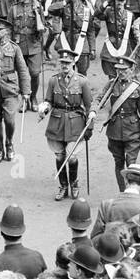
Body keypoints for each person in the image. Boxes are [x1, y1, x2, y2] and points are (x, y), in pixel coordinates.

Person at [38, 45, 91, 201]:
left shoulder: (82, 81)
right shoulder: (54, 80)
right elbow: (49, 100)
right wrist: (44, 108)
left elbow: (89, 106)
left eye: (67, 63)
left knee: (72, 155)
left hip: (75, 122)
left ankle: (74, 183)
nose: (65, 66)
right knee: (60, 155)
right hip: (57, 121)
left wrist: (90, 127)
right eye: (62, 63)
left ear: (73, 62)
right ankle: (63, 186)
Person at [91, 54, 140, 191]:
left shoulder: (138, 88)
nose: (121, 73)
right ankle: (122, 190)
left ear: (131, 70)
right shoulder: (111, 85)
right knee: (118, 162)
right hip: (114, 130)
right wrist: (93, 111)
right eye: (118, 70)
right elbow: (98, 99)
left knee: (131, 163)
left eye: (124, 70)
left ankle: (132, 190)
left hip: (133, 131)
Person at [0, 18, 31, 165]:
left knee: (10, 119)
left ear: (7, 31)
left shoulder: (14, 48)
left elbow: (23, 70)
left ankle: (9, 143)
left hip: (10, 88)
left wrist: (26, 91)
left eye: (0, 29)